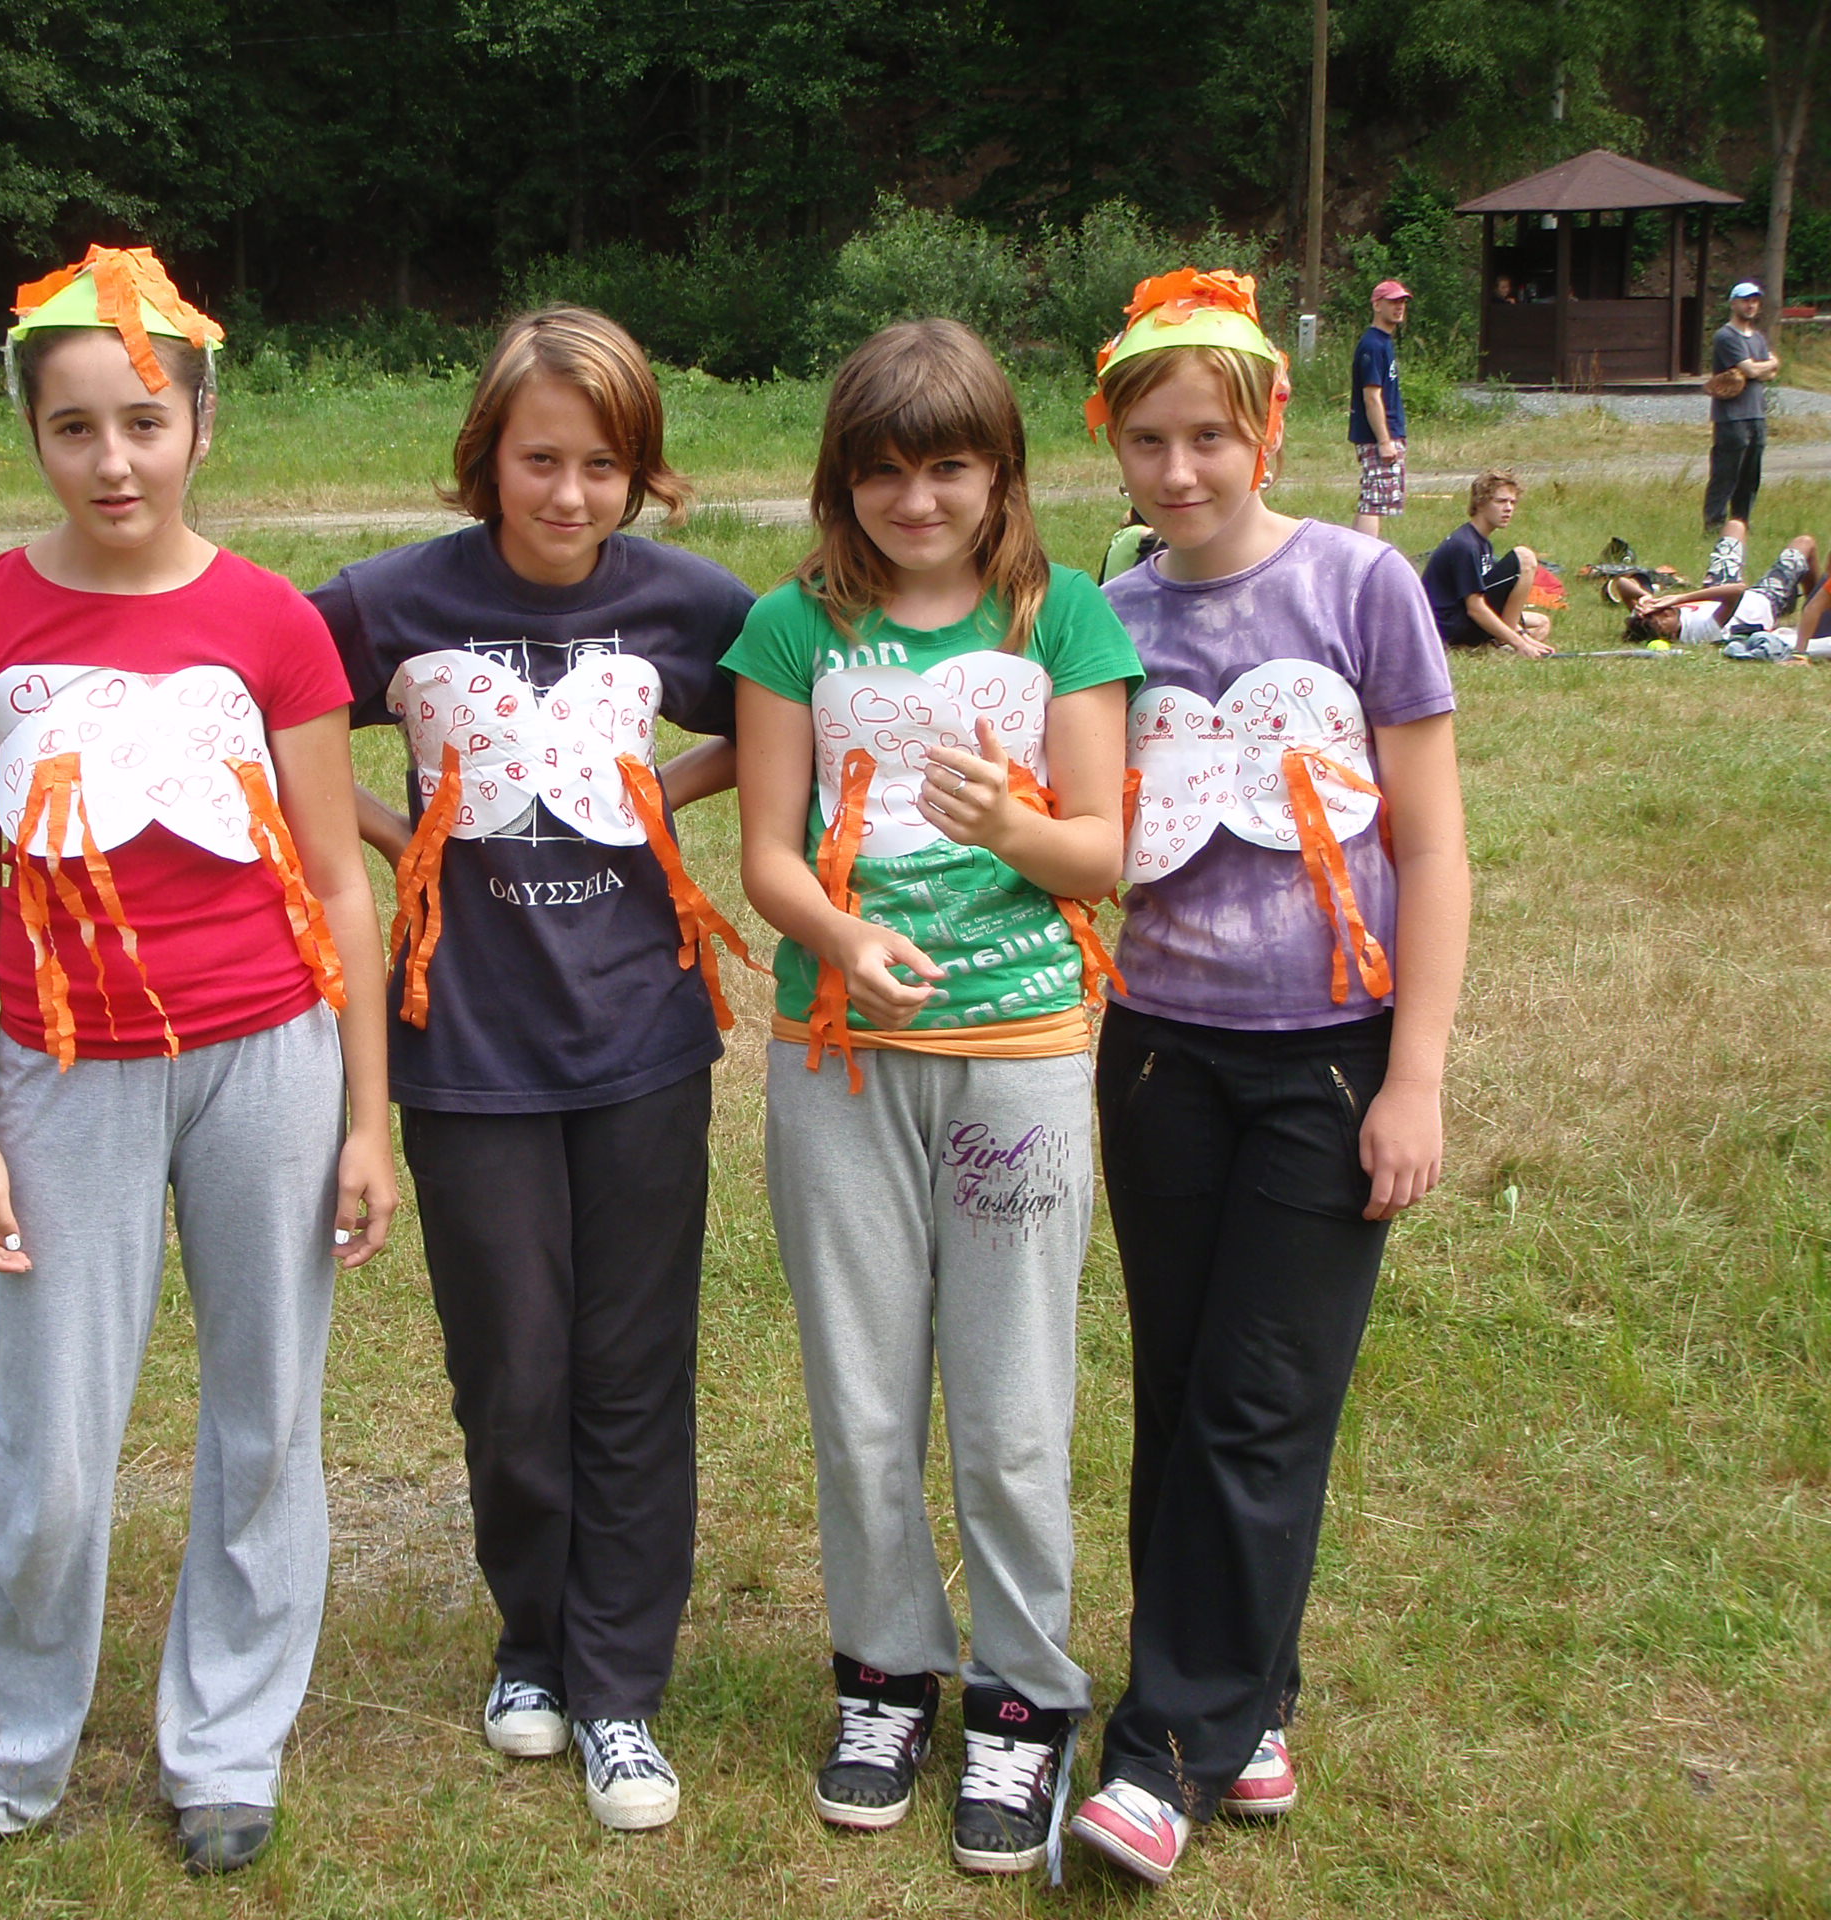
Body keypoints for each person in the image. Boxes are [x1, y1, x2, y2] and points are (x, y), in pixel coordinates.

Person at [0, 246, 396, 1888]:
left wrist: (367, 1119)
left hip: (269, 1060)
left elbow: (337, 882)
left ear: (200, 424)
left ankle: (228, 1742)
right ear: (32, 435)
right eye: (75, 428)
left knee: (266, 1419)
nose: (114, 462)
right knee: (49, 1448)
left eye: (144, 422)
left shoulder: (270, 625)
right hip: (65, 1073)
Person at [308, 307, 754, 1833]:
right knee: (512, 1368)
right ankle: (532, 1644)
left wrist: (657, 790)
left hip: (641, 1040)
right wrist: (403, 833)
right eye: (540, 459)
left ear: (641, 473)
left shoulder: (685, 599)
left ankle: (618, 1687)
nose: (569, 494)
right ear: (485, 458)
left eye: (603, 465)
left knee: (631, 1366)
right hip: (464, 1045)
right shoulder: (391, 600)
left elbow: (793, 700)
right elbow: (264, 711)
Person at [726, 318, 1141, 1882]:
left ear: (1002, 474)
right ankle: (887, 1673)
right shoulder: (793, 628)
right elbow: (768, 853)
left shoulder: (1064, 616)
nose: (917, 500)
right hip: (838, 1056)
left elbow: (1104, 850)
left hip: (1021, 1054)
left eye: (949, 467)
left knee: (1015, 1405)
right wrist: (841, 940)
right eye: (884, 471)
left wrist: (1012, 829)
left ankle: (1026, 1696)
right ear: (842, 479)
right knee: (862, 1399)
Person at [1068, 269, 1468, 1889]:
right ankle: (1252, 1696)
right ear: (1113, 445)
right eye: (1148, 442)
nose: (1180, 472)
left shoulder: (1363, 587)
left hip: (1330, 1062)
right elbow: (1084, 835)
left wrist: (1413, 1077)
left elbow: (1433, 847)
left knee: (1263, 1394)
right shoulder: (1110, 618)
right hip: (1158, 1054)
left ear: (1269, 432)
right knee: (1187, 1387)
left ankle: (1163, 1752)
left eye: (1210, 438)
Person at [1419, 468, 1553, 655]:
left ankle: (1503, 640)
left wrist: (1523, 635)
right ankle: (1503, 642)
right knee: (1525, 557)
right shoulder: (1465, 545)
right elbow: (1475, 608)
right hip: (1450, 628)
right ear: (1480, 503)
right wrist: (1520, 644)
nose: (1508, 508)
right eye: (1501, 501)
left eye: (1512, 502)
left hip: (1463, 620)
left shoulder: (1482, 543)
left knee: (1541, 623)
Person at [1617, 521, 1818, 645]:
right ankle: (1818, 616)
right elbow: (1737, 591)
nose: (1662, 612)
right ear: (1668, 637)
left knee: (1734, 527)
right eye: (1660, 620)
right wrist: (1678, 598)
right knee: (1805, 544)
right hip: (1764, 601)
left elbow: (1622, 583)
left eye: (1655, 613)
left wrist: (1645, 598)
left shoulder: (1648, 617)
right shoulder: (1699, 631)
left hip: (1717, 590)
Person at [1706, 281, 1780, 532]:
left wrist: (1761, 368)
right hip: (1731, 417)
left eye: (1755, 301)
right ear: (1733, 303)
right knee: (1726, 474)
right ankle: (1714, 526)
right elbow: (1752, 370)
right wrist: (1765, 365)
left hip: (1756, 414)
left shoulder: (1757, 337)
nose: (1751, 305)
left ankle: (1741, 526)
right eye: (1746, 300)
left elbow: (1771, 373)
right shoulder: (1726, 336)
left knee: (1750, 477)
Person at [1349, 279, 1411, 539]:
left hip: (1388, 432)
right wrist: (1384, 441)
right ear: (1376, 305)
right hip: (1377, 436)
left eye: (1402, 302)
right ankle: (1365, 555)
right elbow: (1372, 397)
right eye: (1393, 302)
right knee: (1375, 502)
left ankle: (1358, 552)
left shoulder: (1384, 342)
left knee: (1374, 498)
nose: (1399, 307)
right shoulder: (1372, 345)